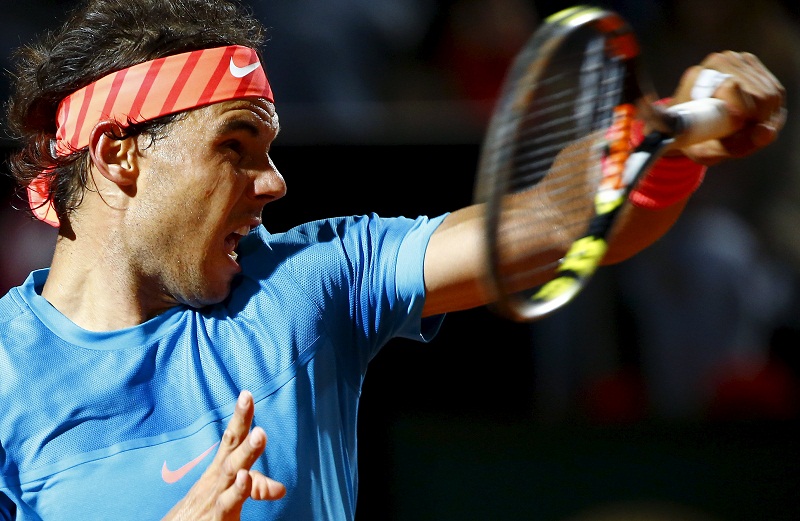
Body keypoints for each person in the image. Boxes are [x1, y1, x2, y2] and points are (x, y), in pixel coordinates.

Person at [0, 0, 785, 519]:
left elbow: (547, 221)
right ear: (118, 155)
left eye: (271, 148)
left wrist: (670, 135)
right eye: (236, 146)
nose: (275, 182)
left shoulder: (312, 281)